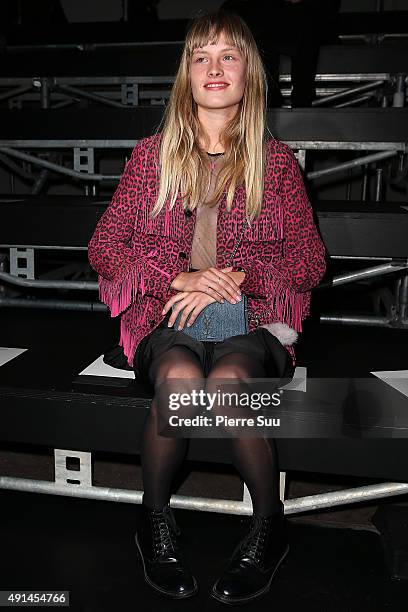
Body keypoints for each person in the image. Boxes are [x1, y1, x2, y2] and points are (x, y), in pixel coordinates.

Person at [88, 9, 326, 605]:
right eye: (201, 56)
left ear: (249, 73)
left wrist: (242, 276)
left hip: (251, 318)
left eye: (229, 56)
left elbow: (310, 260)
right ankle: (155, 519)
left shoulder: (276, 162)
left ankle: (269, 524)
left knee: (226, 384)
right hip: (169, 317)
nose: (214, 67)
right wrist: (178, 277)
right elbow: (105, 246)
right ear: (185, 74)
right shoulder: (151, 157)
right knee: (179, 381)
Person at [221, 0, 341, 107]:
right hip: (272, 18)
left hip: (302, 18)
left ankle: (294, 95)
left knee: (305, 25)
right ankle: (273, 95)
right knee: (256, 25)